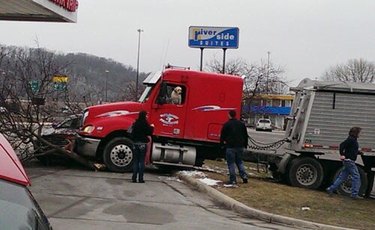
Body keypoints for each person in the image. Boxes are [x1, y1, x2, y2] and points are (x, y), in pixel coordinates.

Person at [326, 127, 363, 199]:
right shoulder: (351, 139)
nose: (360, 134)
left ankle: (331, 189)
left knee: (342, 177)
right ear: (355, 133)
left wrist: (358, 152)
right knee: (356, 176)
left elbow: (351, 149)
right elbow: (342, 145)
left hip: (348, 161)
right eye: (359, 132)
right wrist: (342, 154)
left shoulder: (352, 140)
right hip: (349, 161)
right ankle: (354, 194)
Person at [220, 110, 249, 185]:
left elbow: (222, 136)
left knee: (231, 163)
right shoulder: (241, 124)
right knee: (239, 162)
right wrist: (245, 145)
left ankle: (233, 180)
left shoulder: (227, 124)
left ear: (229, 115)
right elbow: (245, 135)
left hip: (230, 147)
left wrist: (222, 145)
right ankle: (244, 176)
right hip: (240, 146)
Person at [130, 111, 154, 183]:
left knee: (135, 161)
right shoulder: (145, 124)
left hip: (135, 143)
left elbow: (130, 132)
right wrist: (152, 127)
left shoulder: (135, 123)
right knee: (141, 161)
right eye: (146, 115)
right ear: (144, 116)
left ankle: (134, 178)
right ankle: (141, 178)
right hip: (143, 144)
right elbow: (149, 132)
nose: (147, 116)